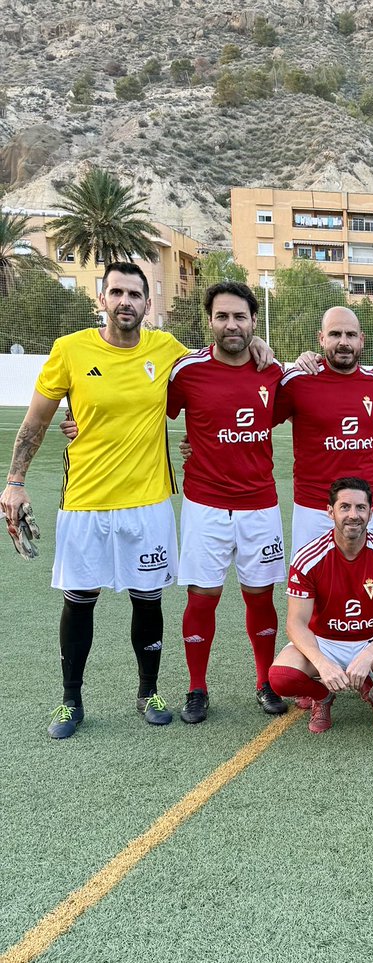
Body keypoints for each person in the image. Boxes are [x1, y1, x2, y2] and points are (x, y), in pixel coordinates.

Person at [3, 262, 270, 738]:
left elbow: (216, 364)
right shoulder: (70, 350)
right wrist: (15, 481)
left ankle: (148, 692)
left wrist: (258, 346)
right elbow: (38, 421)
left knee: (148, 601)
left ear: (148, 305)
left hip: (149, 503)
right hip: (84, 500)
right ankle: (70, 700)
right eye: (117, 292)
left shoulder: (167, 351)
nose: (125, 301)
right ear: (102, 299)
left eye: (134, 294)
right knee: (79, 601)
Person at [167, 281, 287, 723]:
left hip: (260, 505)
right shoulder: (187, 371)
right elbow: (142, 410)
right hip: (205, 505)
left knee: (260, 596)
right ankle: (197, 688)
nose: (231, 324)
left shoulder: (273, 372)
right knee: (203, 598)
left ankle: (265, 681)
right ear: (210, 321)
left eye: (240, 317)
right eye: (223, 316)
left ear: (254, 322)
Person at [267, 478, 373, 734]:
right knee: (281, 678)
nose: (354, 515)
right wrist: (321, 662)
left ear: (371, 513)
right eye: (345, 507)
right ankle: (322, 697)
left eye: (361, 508)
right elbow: (295, 622)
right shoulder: (309, 557)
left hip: (371, 641)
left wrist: (368, 655)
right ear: (331, 512)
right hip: (324, 641)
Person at [276, 307, 373, 551]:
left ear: (361, 339)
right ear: (321, 338)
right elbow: (258, 419)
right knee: (309, 585)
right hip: (314, 507)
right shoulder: (298, 381)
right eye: (335, 334)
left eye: (350, 335)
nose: (343, 342)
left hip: (369, 505)